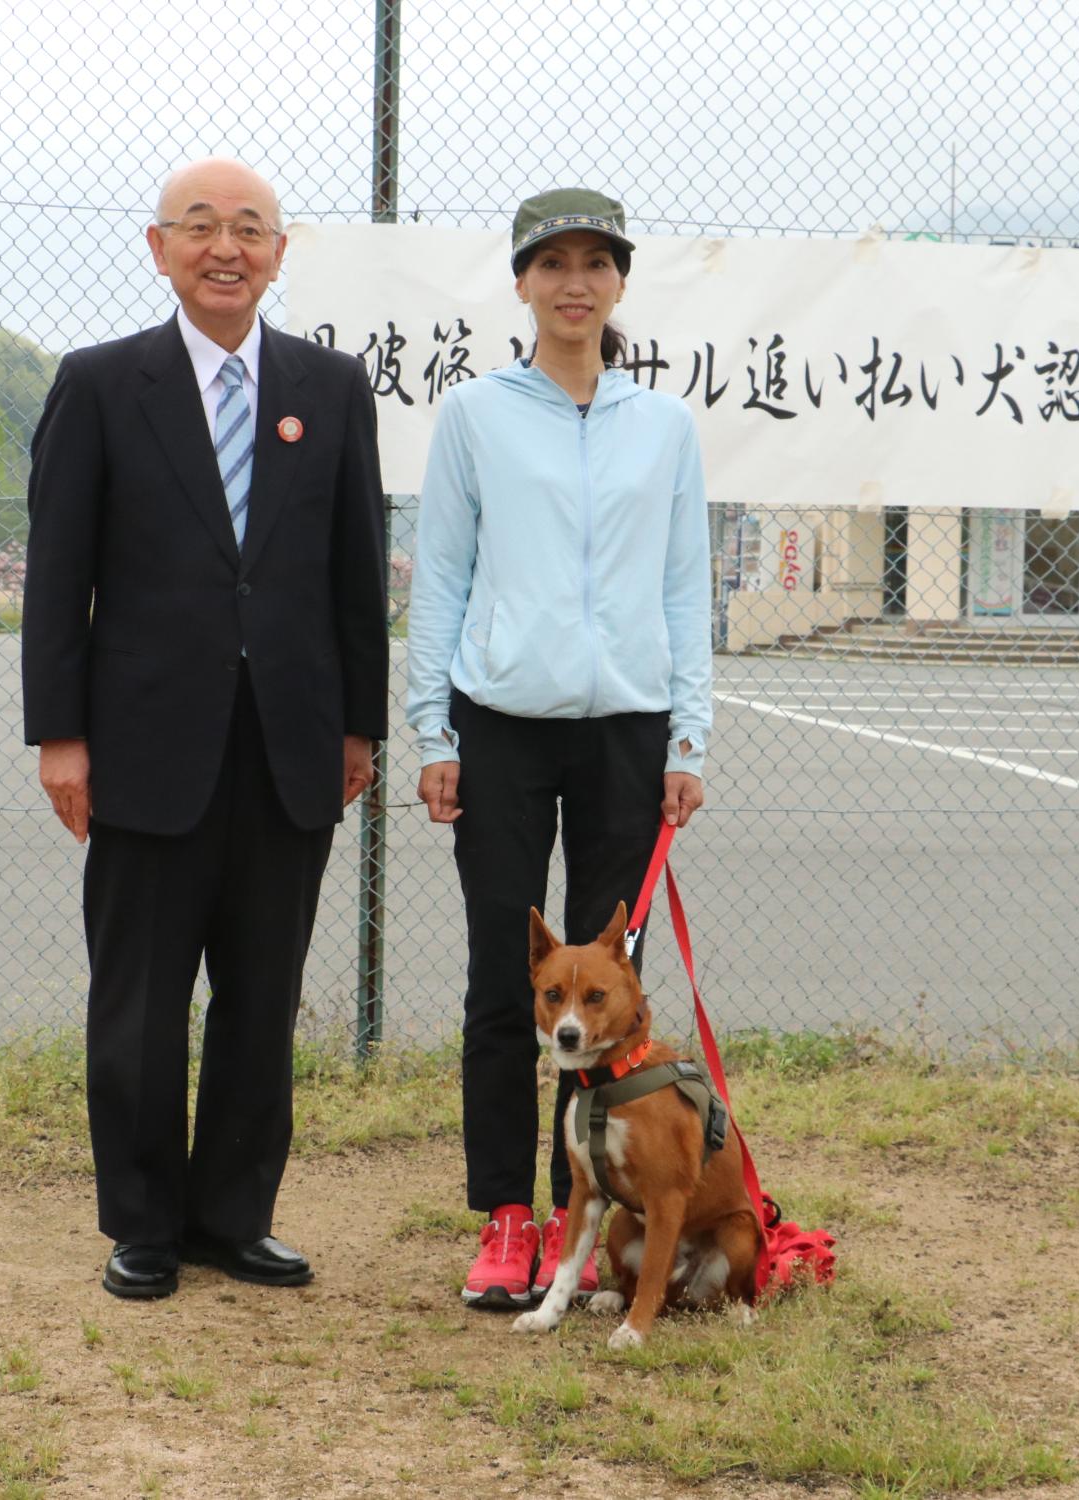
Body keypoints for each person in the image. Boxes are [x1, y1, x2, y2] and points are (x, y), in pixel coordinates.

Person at [22, 158, 387, 1300]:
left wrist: (359, 727)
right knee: (136, 998)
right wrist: (59, 735)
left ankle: (233, 1215)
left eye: (249, 230)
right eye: (200, 228)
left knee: (261, 993)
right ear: (158, 246)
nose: (224, 248)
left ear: (279, 252)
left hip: (289, 746)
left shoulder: (329, 389)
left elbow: (352, 576)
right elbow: (57, 579)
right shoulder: (98, 384)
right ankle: (143, 1222)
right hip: (140, 746)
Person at [406, 188, 713, 1310]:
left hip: (626, 735)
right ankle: (505, 1220)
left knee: (610, 993)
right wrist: (433, 729)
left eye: (595, 263)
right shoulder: (479, 416)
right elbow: (438, 577)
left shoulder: (661, 428)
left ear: (619, 283)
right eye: (552, 263)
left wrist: (687, 734)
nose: (573, 283)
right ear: (523, 282)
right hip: (500, 728)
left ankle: (582, 1220)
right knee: (508, 978)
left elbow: (685, 588)